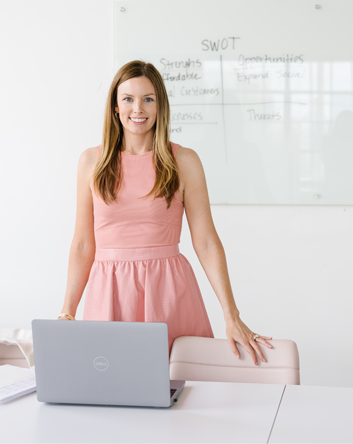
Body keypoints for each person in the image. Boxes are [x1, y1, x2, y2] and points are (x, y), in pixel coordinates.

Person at [58, 60, 272, 364]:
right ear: (116, 107)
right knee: (109, 390)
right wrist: (67, 312)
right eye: (128, 99)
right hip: (109, 291)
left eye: (148, 99)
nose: (138, 109)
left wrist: (231, 314)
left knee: (181, 393)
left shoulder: (184, 161)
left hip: (168, 290)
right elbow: (82, 244)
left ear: (160, 105)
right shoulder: (90, 161)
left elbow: (207, 242)